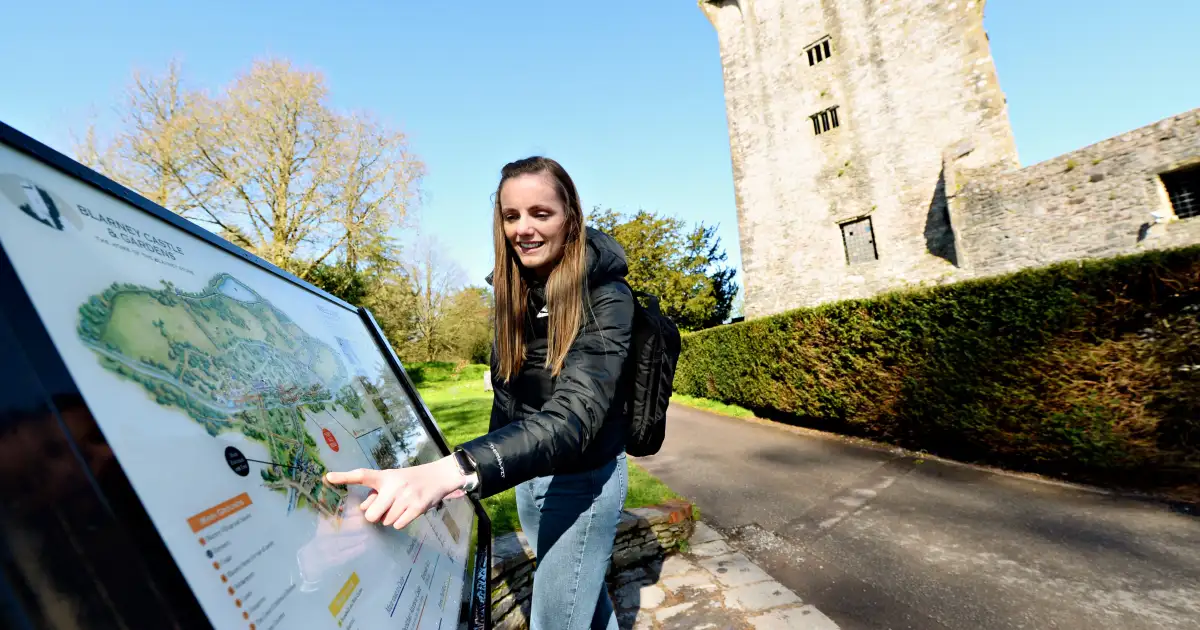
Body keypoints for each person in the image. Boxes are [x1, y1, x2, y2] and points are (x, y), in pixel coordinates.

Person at [326, 155, 635, 630]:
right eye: (511, 216)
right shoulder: (515, 291)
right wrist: (469, 483)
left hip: (584, 479)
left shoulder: (607, 296)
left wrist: (458, 470)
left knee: (556, 618)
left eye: (541, 213)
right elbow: (510, 401)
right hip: (532, 474)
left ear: (570, 217)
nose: (523, 228)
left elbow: (574, 416)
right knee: (585, 604)